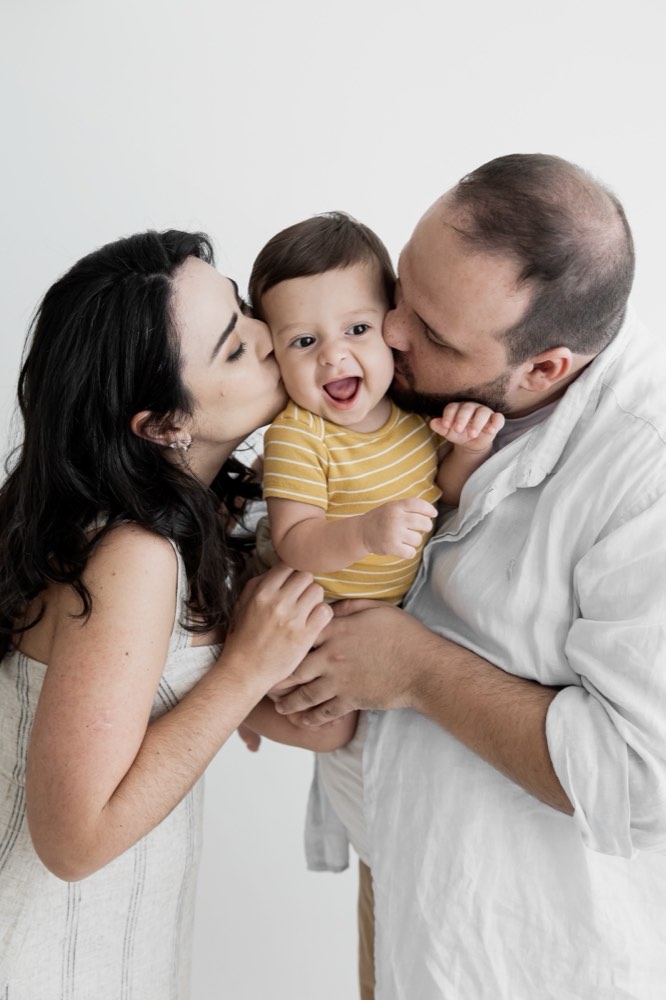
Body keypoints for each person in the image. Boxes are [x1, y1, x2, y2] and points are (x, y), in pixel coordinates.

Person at [270, 154, 666, 999]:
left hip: (526, 950)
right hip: (400, 870)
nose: (392, 334)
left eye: (437, 335)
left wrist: (414, 669)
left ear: (545, 369)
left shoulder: (649, 470)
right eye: (402, 288)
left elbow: (639, 779)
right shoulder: (399, 377)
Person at [0, 229, 355, 1000]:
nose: (268, 335)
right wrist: (243, 672)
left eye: (239, 306)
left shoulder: (178, 528)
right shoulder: (133, 555)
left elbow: (324, 723)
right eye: (233, 348)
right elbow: (73, 839)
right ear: (163, 426)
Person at [249, 211, 504, 604]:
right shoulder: (299, 434)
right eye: (303, 341)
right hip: (314, 610)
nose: (333, 356)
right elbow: (293, 540)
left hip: (397, 607)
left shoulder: (414, 417)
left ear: (391, 323)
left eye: (357, 329)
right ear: (275, 356)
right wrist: (364, 534)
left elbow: (448, 492)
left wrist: (470, 449)